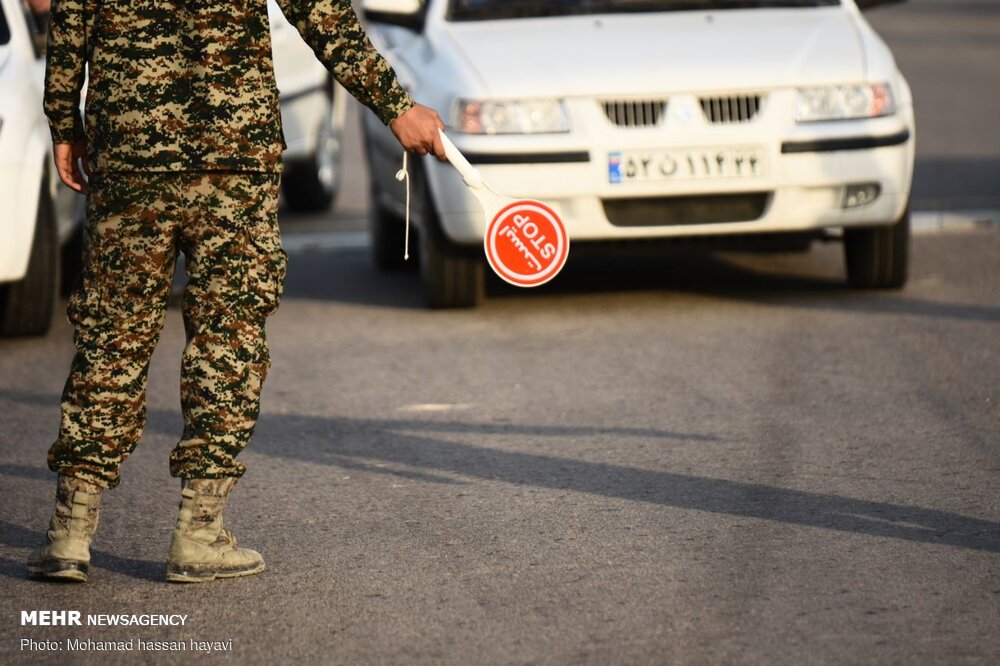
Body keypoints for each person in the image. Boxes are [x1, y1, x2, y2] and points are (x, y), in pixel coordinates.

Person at [27, 0, 445, 583]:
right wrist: (396, 108)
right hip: (233, 157)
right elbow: (323, 17)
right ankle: (199, 534)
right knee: (229, 335)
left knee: (112, 335)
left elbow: (68, 24)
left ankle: (69, 534)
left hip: (131, 155)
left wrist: (64, 126)